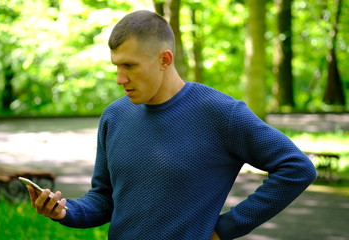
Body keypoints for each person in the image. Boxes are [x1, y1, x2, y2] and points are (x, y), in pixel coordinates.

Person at [26, 10, 317, 240]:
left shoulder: (221, 113)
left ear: (164, 59)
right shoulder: (114, 116)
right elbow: (104, 199)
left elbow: (296, 168)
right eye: (116, 66)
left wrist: (226, 228)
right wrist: (64, 211)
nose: (120, 79)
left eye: (130, 66)